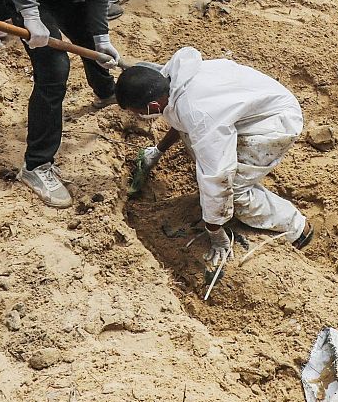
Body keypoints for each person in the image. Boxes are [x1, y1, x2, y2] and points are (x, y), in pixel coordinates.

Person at [5, 0, 191, 206]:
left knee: (94, 46)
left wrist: (101, 36)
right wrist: (30, 14)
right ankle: (36, 165)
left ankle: (106, 94)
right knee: (54, 70)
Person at [115, 47, 314, 264]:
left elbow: (218, 177)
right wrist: (158, 151)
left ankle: (297, 228)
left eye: (138, 113)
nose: (138, 116)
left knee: (234, 192)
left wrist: (214, 230)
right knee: (201, 149)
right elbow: (181, 121)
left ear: (153, 106)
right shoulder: (173, 79)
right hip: (256, 103)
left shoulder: (199, 115)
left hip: (274, 122)